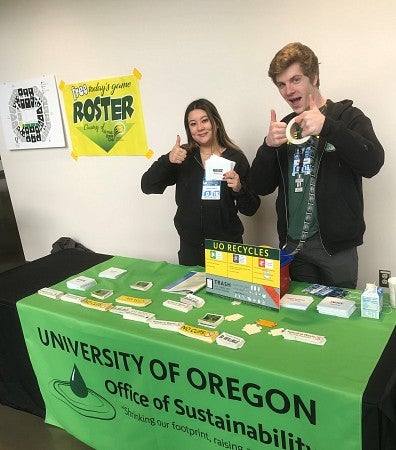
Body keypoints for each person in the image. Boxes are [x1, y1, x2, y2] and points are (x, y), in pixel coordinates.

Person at [249, 42, 384, 288]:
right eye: (281, 84)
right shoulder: (286, 126)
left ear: (314, 76)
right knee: (299, 322)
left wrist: (328, 127)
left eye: (295, 80)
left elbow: (373, 163)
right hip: (294, 247)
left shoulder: (347, 116)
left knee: (338, 321)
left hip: (336, 248)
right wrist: (268, 146)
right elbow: (259, 185)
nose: (288, 90)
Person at [141, 98, 260, 267]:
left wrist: (239, 188)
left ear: (216, 123)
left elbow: (252, 208)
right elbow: (147, 186)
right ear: (189, 129)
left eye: (204, 121)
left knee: (224, 294)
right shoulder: (182, 156)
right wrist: (168, 160)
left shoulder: (236, 158)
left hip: (227, 250)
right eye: (193, 124)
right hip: (191, 250)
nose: (200, 127)